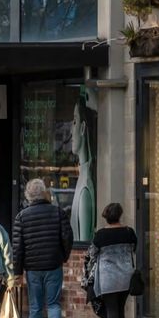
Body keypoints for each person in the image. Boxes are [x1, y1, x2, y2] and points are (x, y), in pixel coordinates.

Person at [12, 178, 73, 318]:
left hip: (33, 267)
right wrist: (63, 256)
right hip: (53, 264)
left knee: (35, 307)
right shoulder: (58, 212)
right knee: (53, 303)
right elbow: (67, 237)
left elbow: (18, 247)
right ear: (44, 192)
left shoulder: (22, 217)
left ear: (28, 196)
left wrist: (17, 271)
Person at [85, 202, 137, 318]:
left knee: (112, 308)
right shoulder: (129, 232)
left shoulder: (100, 235)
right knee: (120, 307)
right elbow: (134, 248)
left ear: (106, 217)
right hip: (126, 276)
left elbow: (92, 254)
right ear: (120, 215)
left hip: (107, 278)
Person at [70, 93, 96, 243]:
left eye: (74, 121)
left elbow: (85, 244)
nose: (71, 131)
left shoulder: (85, 187)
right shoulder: (84, 181)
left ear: (82, 127)